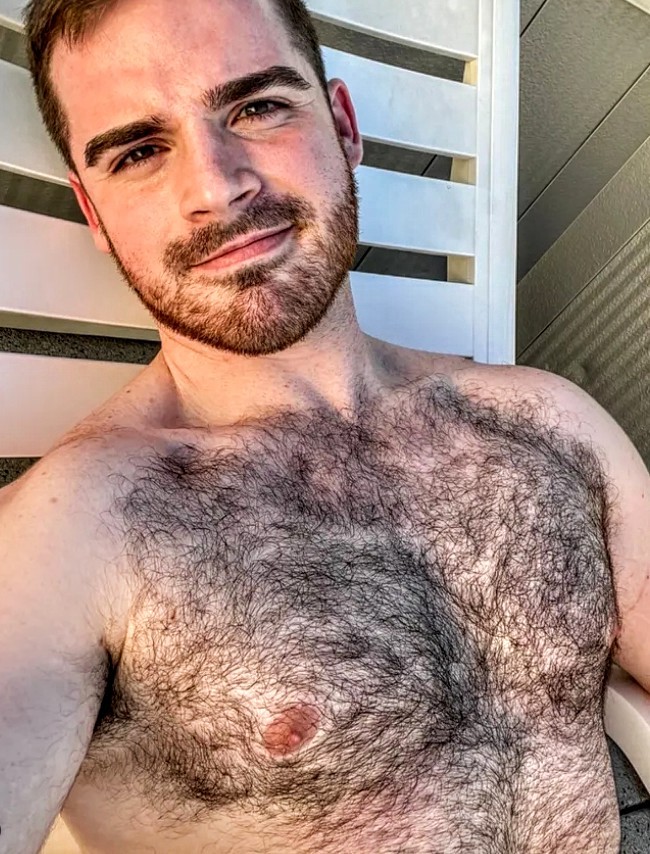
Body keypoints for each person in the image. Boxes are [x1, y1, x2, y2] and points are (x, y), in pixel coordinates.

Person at [1, 0, 649, 851]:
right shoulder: (75, 530)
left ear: (343, 125)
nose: (217, 188)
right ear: (94, 212)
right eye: (140, 152)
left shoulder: (546, 420)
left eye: (257, 106)